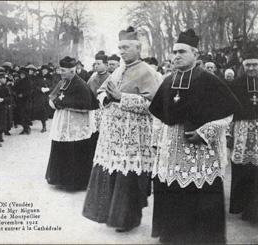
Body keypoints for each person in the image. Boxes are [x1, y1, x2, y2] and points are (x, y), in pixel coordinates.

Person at [149, 29, 239, 243]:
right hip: (172, 151)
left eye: (181, 51)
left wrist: (204, 132)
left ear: (196, 55)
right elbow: (160, 115)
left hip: (202, 153)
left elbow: (228, 114)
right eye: (174, 52)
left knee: (202, 200)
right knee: (174, 196)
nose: (176, 56)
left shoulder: (209, 80)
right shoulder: (168, 80)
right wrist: (157, 142)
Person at [82, 26, 161, 232]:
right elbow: (100, 92)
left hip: (133, 136)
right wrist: (106, 97)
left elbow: (154, 105)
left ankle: (127, 219)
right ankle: (110, 214)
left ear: (138, 48)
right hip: (112, 136)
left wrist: (121, 97)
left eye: (126, 47)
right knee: (112, 174)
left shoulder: (148, 72)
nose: (122, 51)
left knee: (128, 178)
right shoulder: (117, 70)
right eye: (119, 47)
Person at [45, 56, 99, 191]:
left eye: (63, 70)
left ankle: (75, 183)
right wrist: (55, 102)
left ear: (72, 71)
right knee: (62, 147)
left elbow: (86, 104)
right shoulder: (64, 81)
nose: (60, 73)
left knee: (74, 150)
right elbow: (55, 96)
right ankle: (61, 180)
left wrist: (62, 104)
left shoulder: (80, 85)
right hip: (64, 122)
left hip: (76, 124)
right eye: (60, 70)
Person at [227, 46, 258, 225]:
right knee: (245, 170)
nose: (251, 68)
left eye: (254, 65)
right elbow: (229, 110)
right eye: (248, 65)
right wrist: (230, 136)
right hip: (243, 130)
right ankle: (244, 207)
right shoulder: (236, 83)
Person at [31, 65, 52, 133]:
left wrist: (49, 89)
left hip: (48, 96)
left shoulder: (50, 77)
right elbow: (35, 85)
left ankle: (47, 123)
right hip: (40, 96)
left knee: (47, 110)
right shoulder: (38, 77)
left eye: (46, 70)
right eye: (43, 70)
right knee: (42, 110)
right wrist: (40, 89)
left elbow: (54, 85)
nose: (44, 71)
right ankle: (44, 126)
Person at [14, 67, 32, 134]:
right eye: (21, 74)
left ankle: (27, 128)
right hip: (20, 100)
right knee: (21, 115)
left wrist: (23, 94)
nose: (21, 75)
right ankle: (25, 128)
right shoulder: (19, 81)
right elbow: (15, 88)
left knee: (25, 114)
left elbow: (30, 91)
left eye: (23, 74)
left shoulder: (28, 81)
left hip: (27, 100)